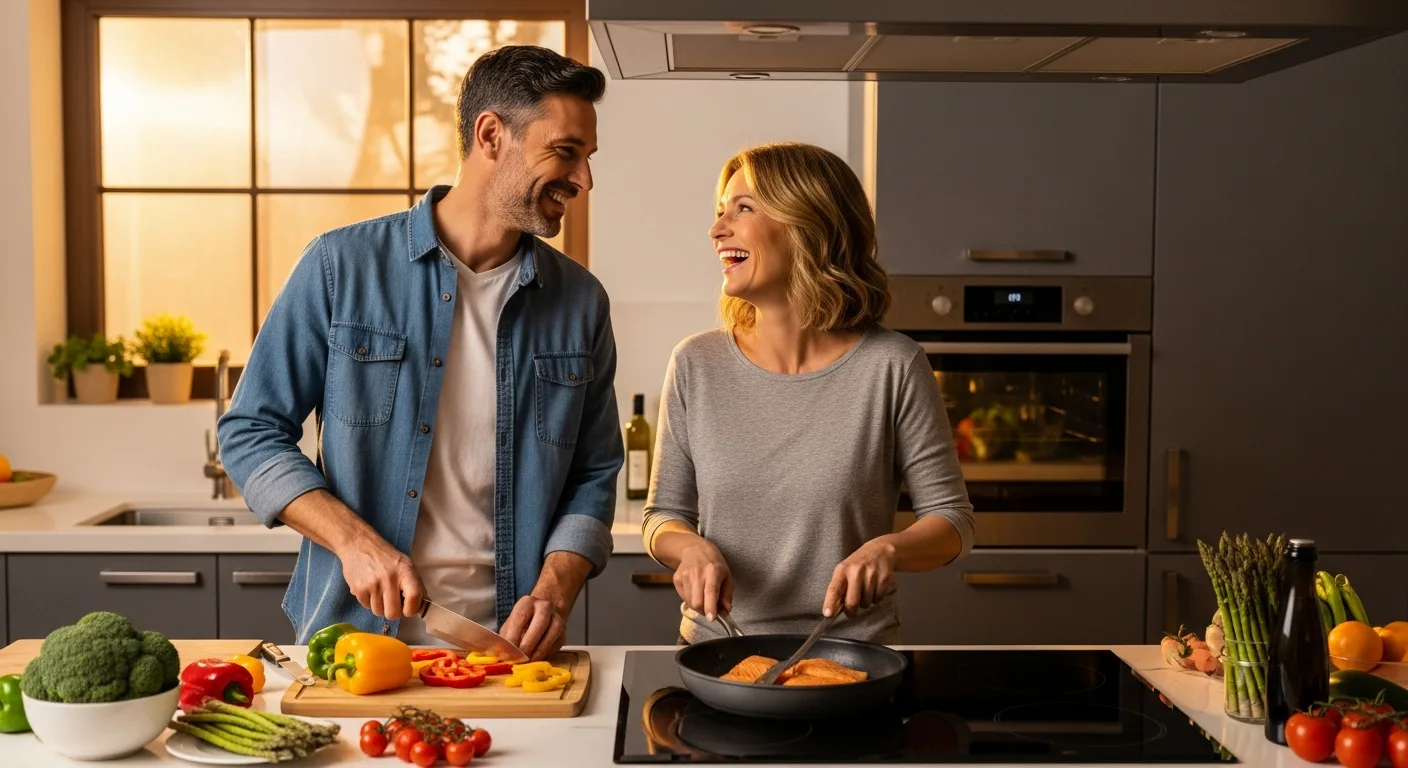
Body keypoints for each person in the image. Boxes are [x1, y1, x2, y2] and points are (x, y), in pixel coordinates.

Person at [217, 46, 621, 661]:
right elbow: (250, 432)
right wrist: (354, 542)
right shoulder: (339, 268)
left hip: (510, 653)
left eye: (587, 159)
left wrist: (556, 587)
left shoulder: (580, 302)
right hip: (354, 645)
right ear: (491, 135)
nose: (584, 180)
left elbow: (594, 473)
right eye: (565, 151)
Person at [640, 142, 976, 646]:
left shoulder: (893, 365)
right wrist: (689, 548)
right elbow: (662, 515)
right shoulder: (695, 364)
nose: (717, 229)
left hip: (853, 657)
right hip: (719, 652)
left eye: (743, 208)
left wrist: (888, 549)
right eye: (719, 211)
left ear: (808, 224)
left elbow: (953, 521)